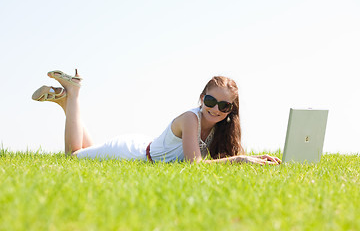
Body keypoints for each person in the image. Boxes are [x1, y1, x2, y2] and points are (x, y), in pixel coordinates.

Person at [32, 70, 281, 165]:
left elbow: (228, 156)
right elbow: (194, 166)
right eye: (210, 101)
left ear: (231, 110)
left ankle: (67, 104)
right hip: (132, 152)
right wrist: (240, 160)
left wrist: (254, 160)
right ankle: (73, 94)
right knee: (73, 156)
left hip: (145, 144)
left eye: (224, 106)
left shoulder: (224, 128)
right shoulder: (190, 119)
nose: (215, 109)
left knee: (85, 148)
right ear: (202, 97)